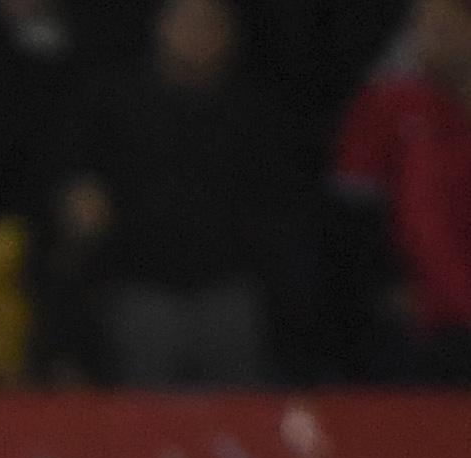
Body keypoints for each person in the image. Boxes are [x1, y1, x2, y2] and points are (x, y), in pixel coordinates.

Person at [52, 0, 282, 388]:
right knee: (145, 411)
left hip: (227, 289)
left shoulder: (255, 112)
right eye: (186, 23)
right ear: (161, 27)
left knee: (238, 409)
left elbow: (274, 203)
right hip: (142, 290)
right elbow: (77, 179)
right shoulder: (115, 100)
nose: (197, 36)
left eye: (210, 25)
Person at [332, 0, 471, 383]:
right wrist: (385, 283)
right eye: (425, 25)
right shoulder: (389, 101)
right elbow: (354, 208)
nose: (433, 36)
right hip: (427, 318)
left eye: (446, 27)